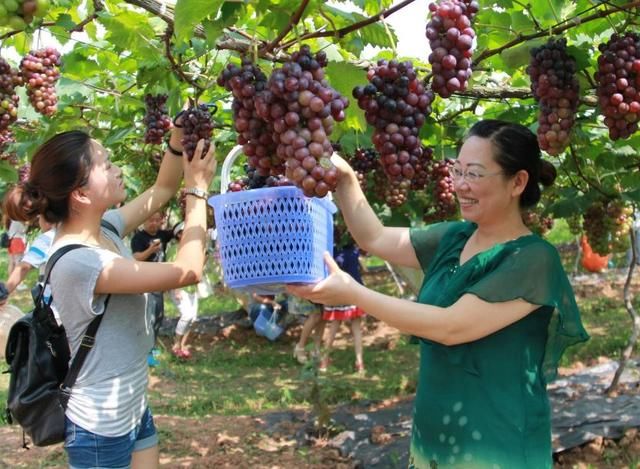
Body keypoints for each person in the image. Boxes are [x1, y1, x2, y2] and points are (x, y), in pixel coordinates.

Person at [288, 119, 589, 468]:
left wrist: (355, 293)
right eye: (456, 170)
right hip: (435, 435)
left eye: (474, 174)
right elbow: (375, 238)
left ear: (517, 182)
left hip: (497, 443)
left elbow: (450, 327)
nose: (459, 184)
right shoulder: (454, 238)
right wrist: (343, 178)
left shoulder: (533, 258)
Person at [3, 121, 216, 469]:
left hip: (132, 406)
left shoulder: (104, 228)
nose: (117, 170)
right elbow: (187, 271)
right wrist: (198, 191)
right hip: (99, 427)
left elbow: (162, 189)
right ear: (81, 194)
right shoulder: (80, 262)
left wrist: (177, 142)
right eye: (106, 165)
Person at [318, 242, 366, 373]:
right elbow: (363, 269)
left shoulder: (333, 253)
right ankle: (360, 363)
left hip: (339, 293)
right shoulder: (354, 251)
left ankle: (324, 361)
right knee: (356, 329)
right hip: (355, 291)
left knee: (333, 327)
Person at [131, 210, 175, 344]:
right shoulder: (138, 238)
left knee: (158, 316)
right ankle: (145, 348)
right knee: (149, 317)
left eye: (157, 220)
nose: (154, 223)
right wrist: (150, 250)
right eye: (151, 220)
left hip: (159, 284)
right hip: (145, 283)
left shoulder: (163, 235)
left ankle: (151, 347)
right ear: (144, 220)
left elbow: (178, 231)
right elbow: (136, 257)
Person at [1, 214, 55, 302]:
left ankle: (13, 280)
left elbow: (24, 267)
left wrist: (4, 293)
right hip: (18, 241)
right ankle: (17, 283)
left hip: (48, 301)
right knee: (17, 261)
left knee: (13, 262)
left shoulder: (45, 238)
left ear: (47, 221)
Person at [168, 222, 199, 359]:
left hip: (191, 287)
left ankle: (182, 346)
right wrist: (176, 289)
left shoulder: (192, 249)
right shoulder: (174, 249)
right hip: (180, 288)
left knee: (192, 318)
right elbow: (171, 268)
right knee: (186, 315)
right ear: (179, 234)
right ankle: (176, 344)